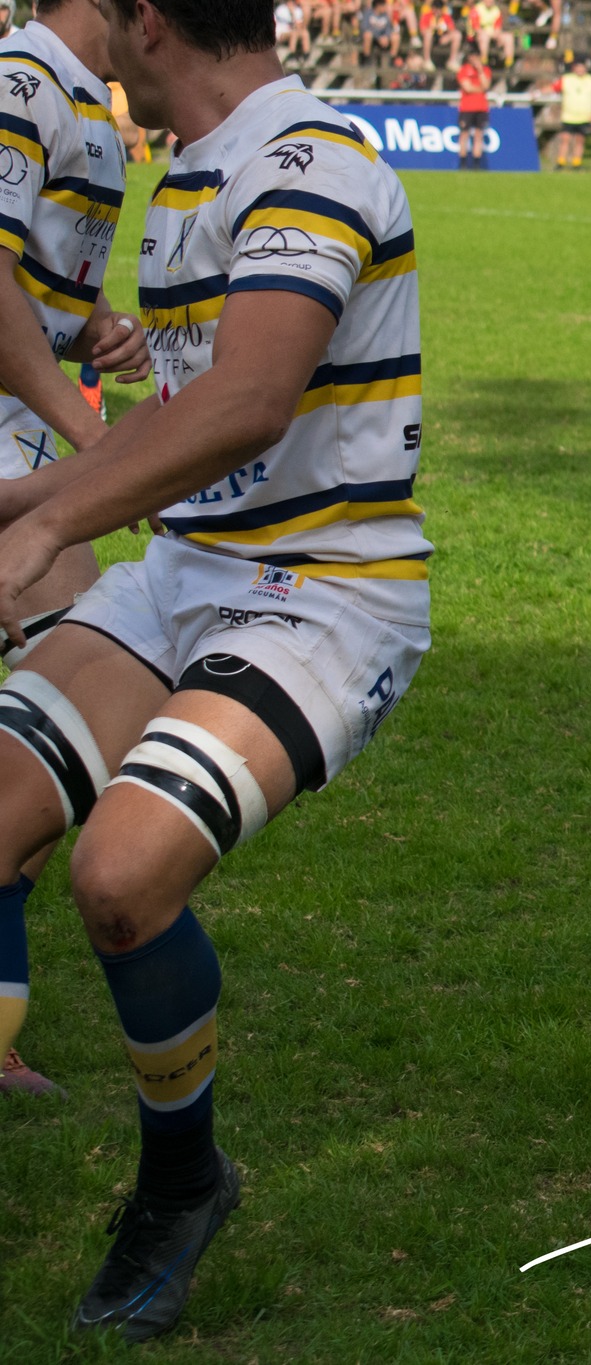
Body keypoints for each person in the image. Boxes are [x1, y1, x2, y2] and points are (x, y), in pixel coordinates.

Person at [0, 0, 428, 1340]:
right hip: (189, 572)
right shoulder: (188, 160)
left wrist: (52, 511)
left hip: (324, 598)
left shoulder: (306, 160)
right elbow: (196, 420)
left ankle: (183, 1181)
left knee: (120, 877)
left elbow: (250, 399)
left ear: (147, 23)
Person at [0, 0, 151, 1100]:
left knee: (50, 734)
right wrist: (94, 432)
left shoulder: (82, 98)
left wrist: (93, 318)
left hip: (28, 434)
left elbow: (28, 273)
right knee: (71, 710)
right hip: (20, 444)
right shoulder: (22, 79)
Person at [549, 55, 591, 168]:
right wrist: (538, 93)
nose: (580, 69)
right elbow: (553, 88)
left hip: (584, 116)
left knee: (580, 140)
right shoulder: (567, 79)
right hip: (569, 116)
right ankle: (561, 161)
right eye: (578, 67)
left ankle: (576, 162)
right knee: (565, 139)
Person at [457, 46, 490, 166]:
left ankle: (476, 163)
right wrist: (480, 89)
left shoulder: (484, 70)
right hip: (467, 107)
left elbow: (486, 86)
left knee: (478, 135)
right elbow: (467, 88)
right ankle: (463, 162)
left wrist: (480, 71)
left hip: (481, 107)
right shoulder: (464, 70)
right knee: (464, 134)